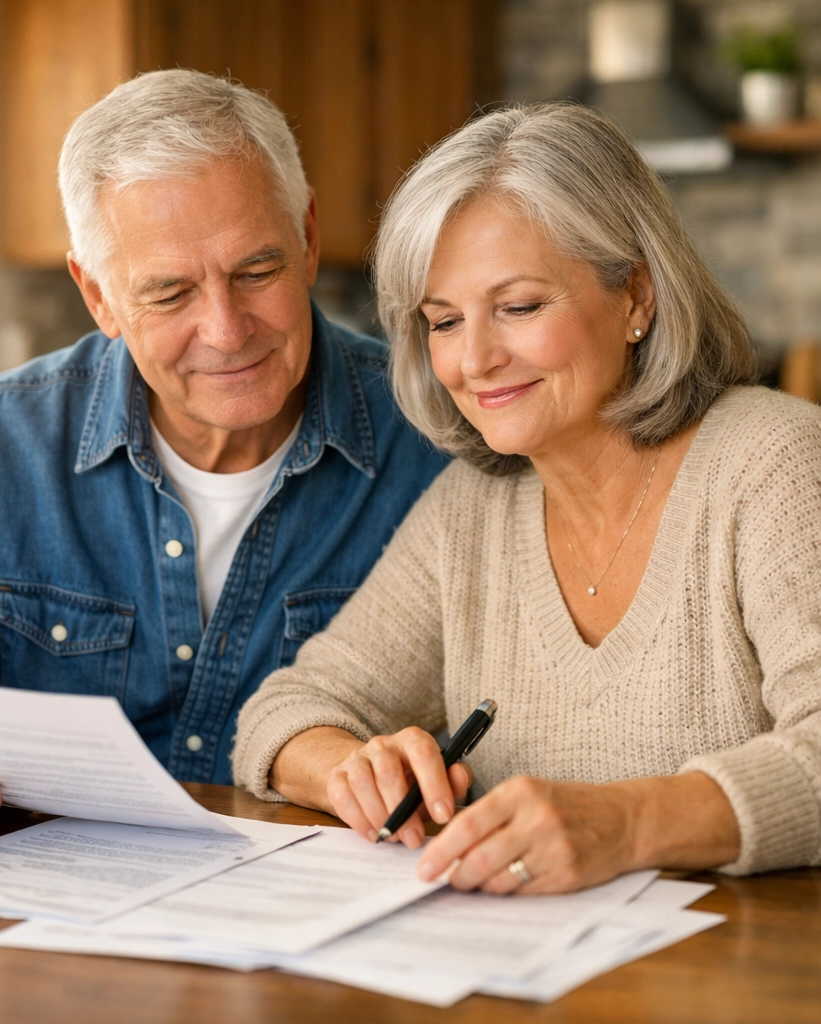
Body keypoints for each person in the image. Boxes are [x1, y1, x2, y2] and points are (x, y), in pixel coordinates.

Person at [0, 70, 447, 850]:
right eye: (170, 293)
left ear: (307, 238)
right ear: (97, 294)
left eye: (257, 271)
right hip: (52, 932)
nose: (226, 329)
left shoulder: (439, 438)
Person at [234, 102, 821, 893]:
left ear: (635, 298)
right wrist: (352, 767)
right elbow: (281, 715)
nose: (474, 360)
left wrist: (627, 823)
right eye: (444, 321)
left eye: (519, 307)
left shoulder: (775, 464)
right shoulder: (472, 508)